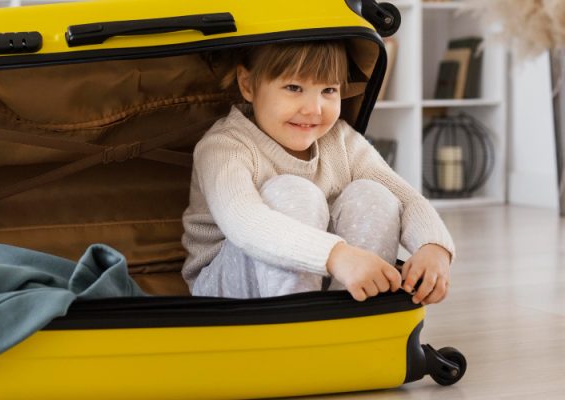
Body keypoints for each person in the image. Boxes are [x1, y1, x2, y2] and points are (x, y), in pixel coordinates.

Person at [181, 40, 455, 304]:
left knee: (376, 195)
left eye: (328, 91)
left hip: (321, 276)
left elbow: (407, 199)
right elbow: (245, 223)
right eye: (293, 87)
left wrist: (435, 248)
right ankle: (298, 333)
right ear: (247, 85)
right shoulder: (224, 146)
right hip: (226, 289)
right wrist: (336, 255)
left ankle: (352, 322)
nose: (314, 109)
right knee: (294, 193)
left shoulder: (341, 141)